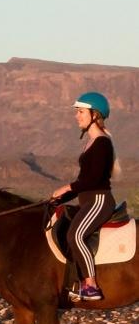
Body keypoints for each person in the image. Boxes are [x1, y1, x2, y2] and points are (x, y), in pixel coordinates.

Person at [51, 92, 118, 301]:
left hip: (99, 200)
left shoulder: (102, 143)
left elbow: (92, 180)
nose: (77, 116)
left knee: (75, 235)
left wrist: (65, 188)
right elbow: (83, 182)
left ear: (94, 115)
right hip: (88, 199)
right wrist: (57, 200)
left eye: (80, 112)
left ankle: (91, 285)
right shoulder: (90, 144)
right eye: (77, 112)